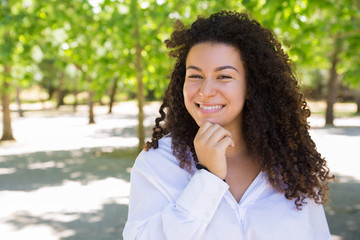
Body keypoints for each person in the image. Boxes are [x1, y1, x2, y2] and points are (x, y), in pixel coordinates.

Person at [123, 10, 333, 240]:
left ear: (251, 86)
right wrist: (208, 178)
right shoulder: (157, 163)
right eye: (195, 76)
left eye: (223, 76)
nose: (205, 91)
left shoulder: (291, 166)